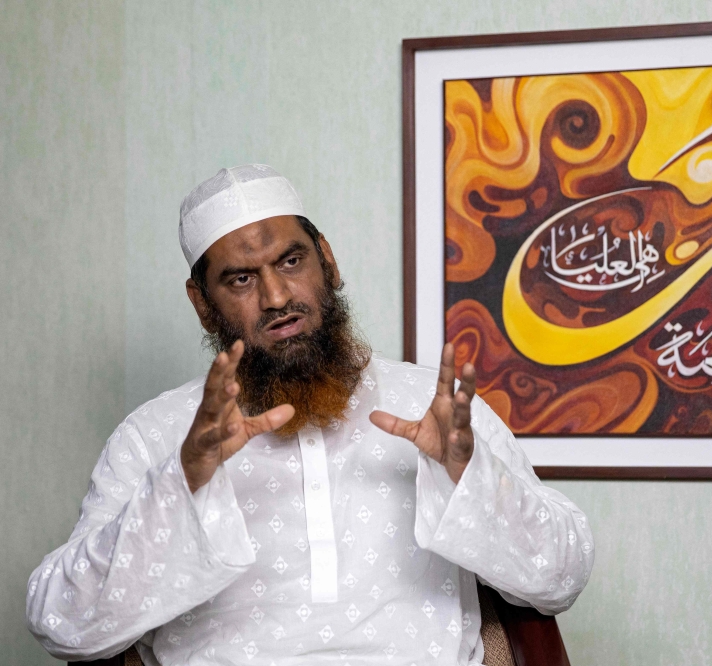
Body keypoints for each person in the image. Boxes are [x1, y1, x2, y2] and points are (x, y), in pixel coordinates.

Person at [26, 165, 594, 665]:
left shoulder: (436, 407)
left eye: (291, 261)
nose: (275, 296)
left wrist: (468, 479)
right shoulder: (157, 435)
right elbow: (60, 623)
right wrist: (181, 484)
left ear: (328, 262)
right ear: (202, 305)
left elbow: (560, 579)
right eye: (241, 279)